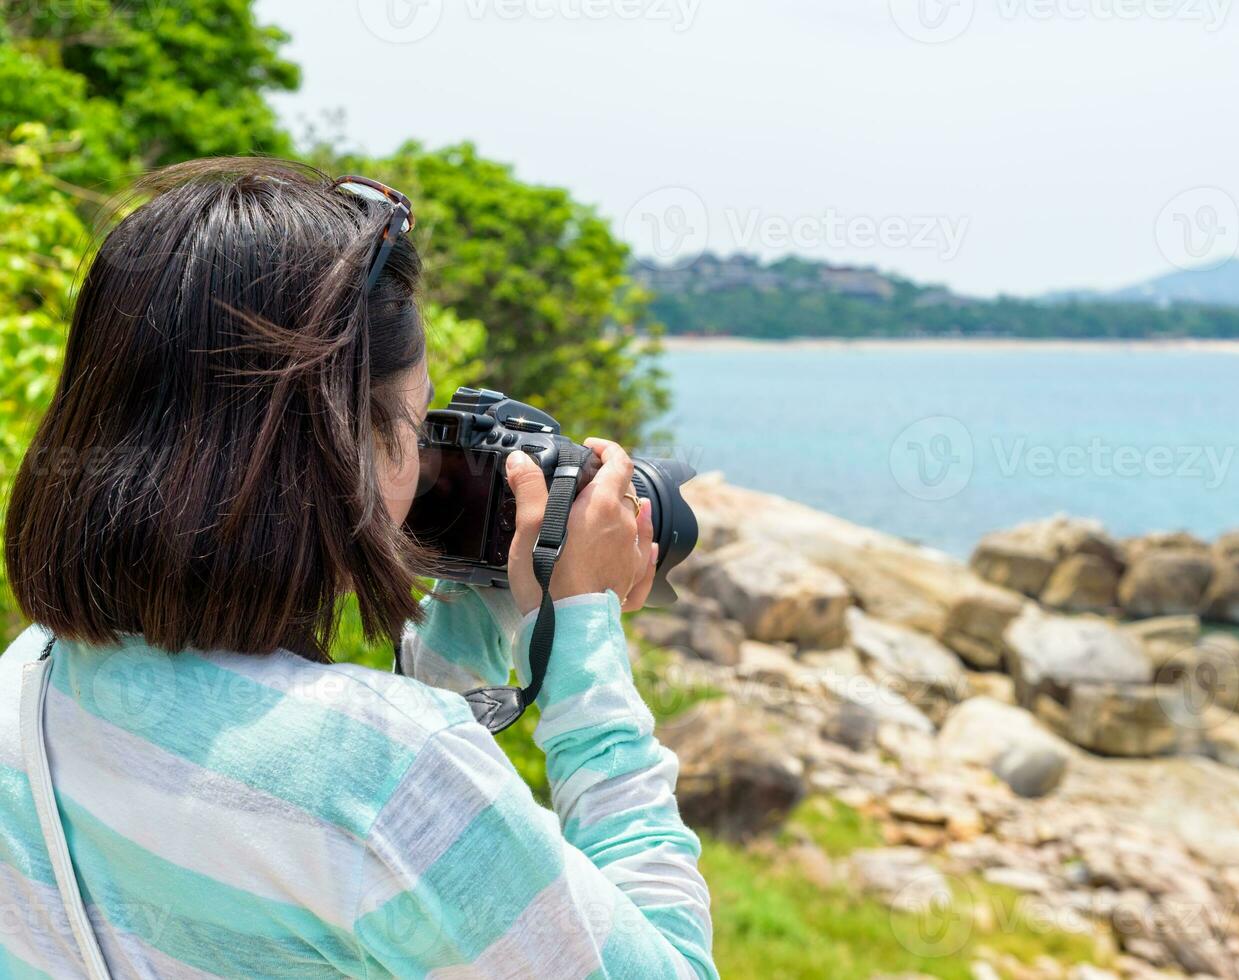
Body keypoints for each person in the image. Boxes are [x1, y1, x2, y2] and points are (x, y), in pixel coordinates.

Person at [0, 158, 716, 979]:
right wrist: (582, 634)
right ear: (343, 450)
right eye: (414, 426)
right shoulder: (387, 777)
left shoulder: (28, 677)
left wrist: (460, 620)